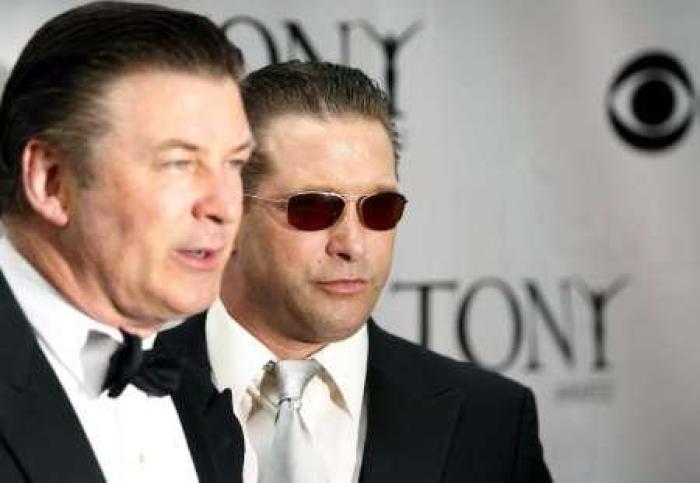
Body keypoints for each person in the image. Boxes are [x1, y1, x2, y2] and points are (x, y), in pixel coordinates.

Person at [170, 60, 553, 482]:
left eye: (379, 208)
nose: (352, 244)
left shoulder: (491, 421)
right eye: (313, 208)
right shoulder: (116, 391)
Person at [0, 2, 253, 482]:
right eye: (180, 163)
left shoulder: (203, 401)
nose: (224, 206)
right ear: (51, 180)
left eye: (235, 164)